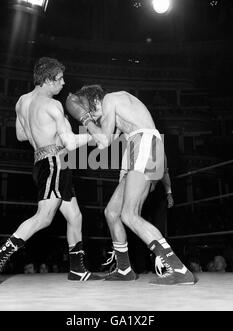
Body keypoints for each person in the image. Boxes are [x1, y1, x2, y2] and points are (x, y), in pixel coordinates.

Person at [0, 57, 102, 285]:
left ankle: (77, 269)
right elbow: (71, 143)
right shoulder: (53, 105)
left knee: (75, 216)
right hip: (55, 163)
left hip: (41, 163)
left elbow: (20, 135)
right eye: (59, 79)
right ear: (47, 80)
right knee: (44, 217)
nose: (64, 83)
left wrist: (45, 133)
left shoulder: (22, 101)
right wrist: (97, 135)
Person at [66, 85, 195, 285]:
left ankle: (177, 268)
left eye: (90, 110)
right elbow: (102, 141)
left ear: (95, 101)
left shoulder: (110, 99)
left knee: (129, 214)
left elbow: (105, 139)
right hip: (142, 149)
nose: (93, 115)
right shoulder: (121, 109)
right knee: (112, 213)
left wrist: (84, 118)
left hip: (145, 145)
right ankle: (124, 268)